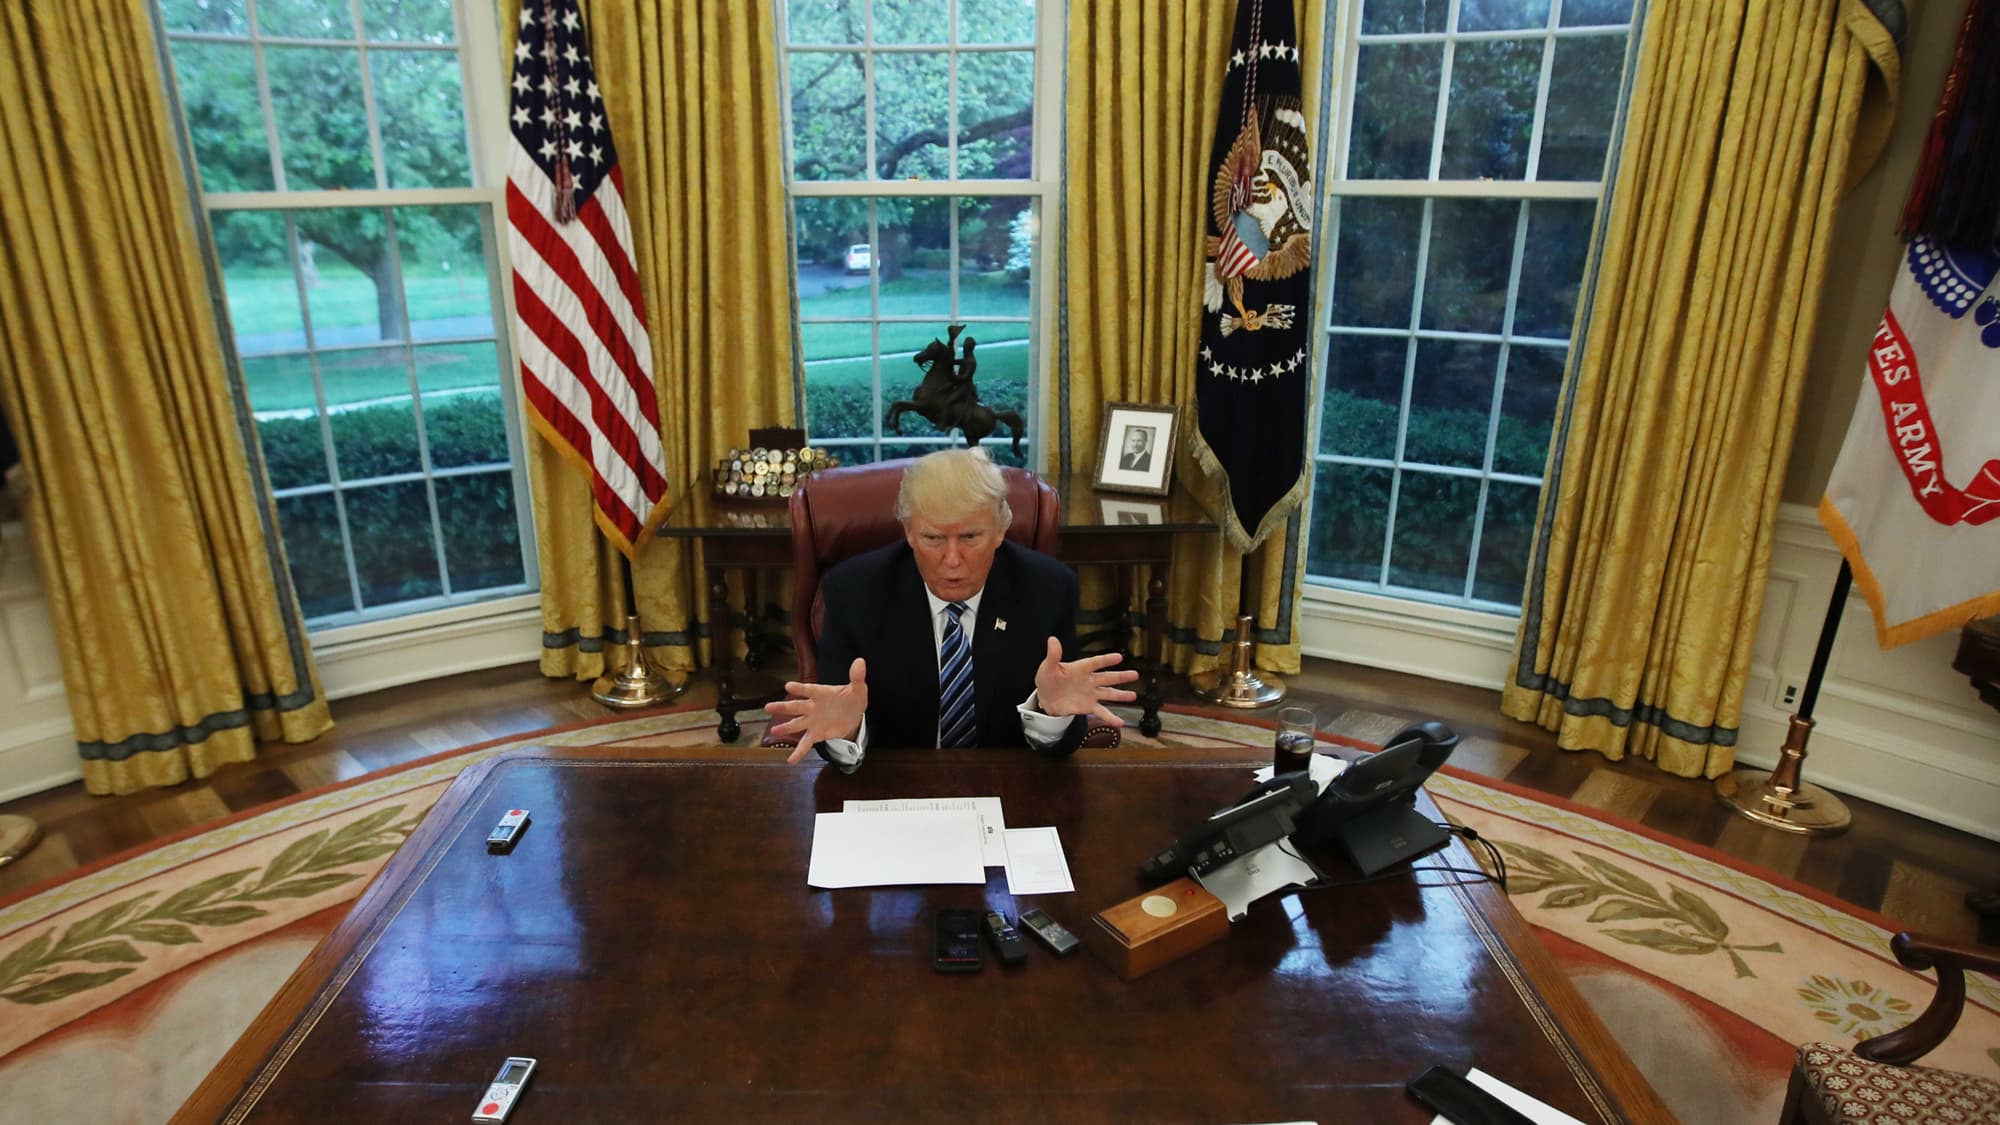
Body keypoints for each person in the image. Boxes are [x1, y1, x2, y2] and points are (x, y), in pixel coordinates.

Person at [769, 448, 1139, 768]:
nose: (952, 560)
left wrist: (1051, 713)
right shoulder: (853, 592)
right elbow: (835, 730)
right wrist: (848, 730)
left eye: (970, 537)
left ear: (1000, 530)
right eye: (932, 538)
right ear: (909, 532)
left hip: (1007, 789)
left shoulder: (1048, 589)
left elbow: (1061, 745)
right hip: (892, 793)